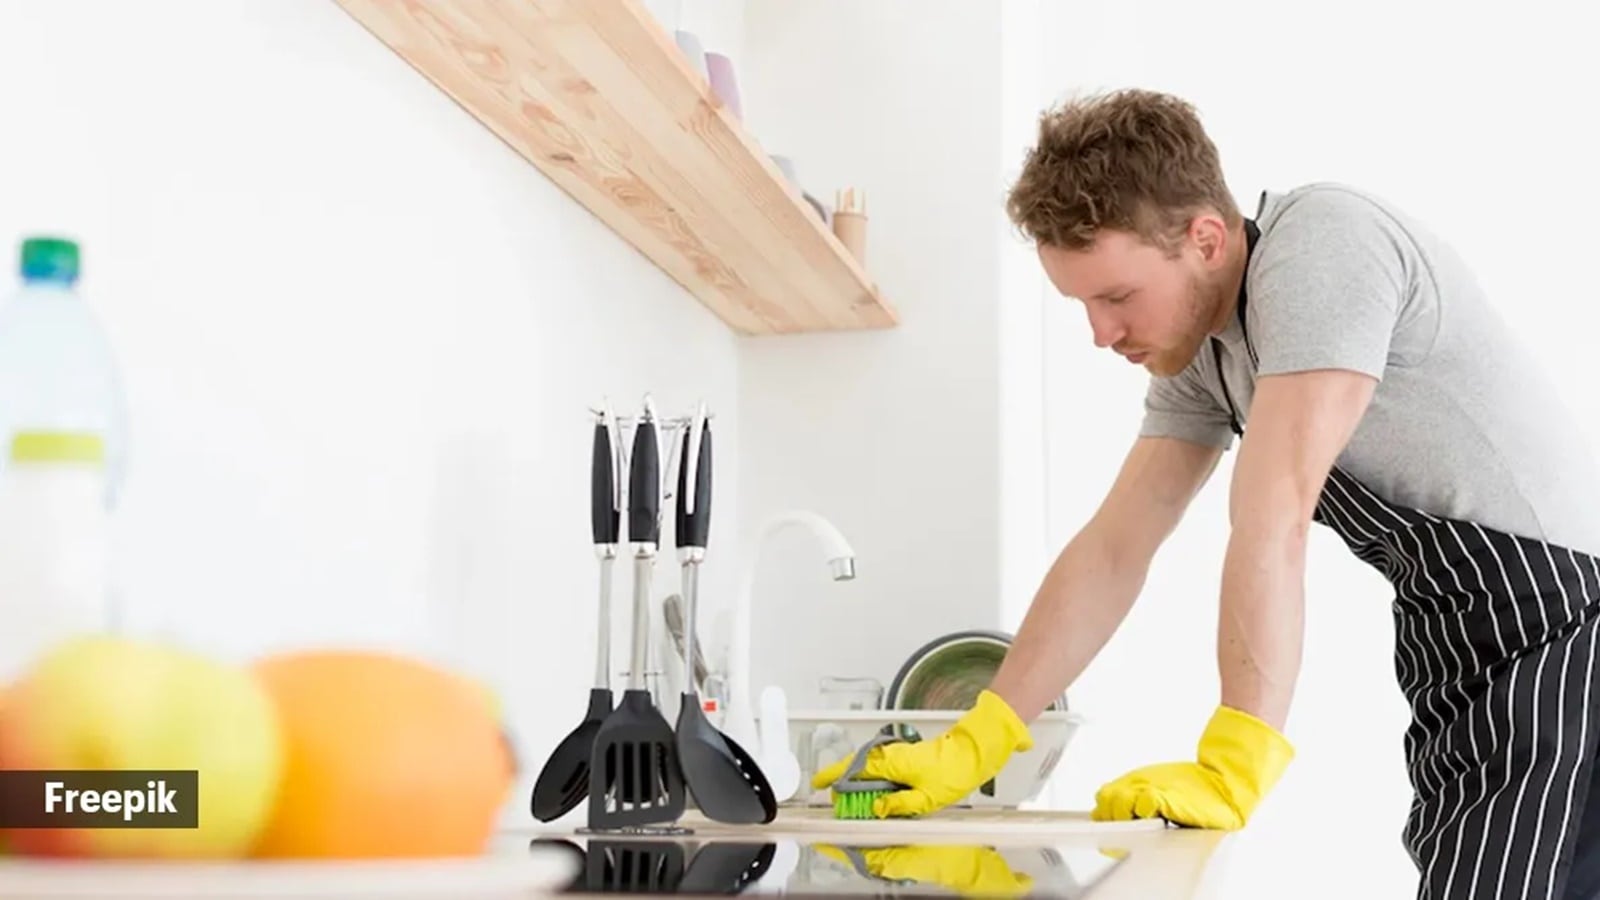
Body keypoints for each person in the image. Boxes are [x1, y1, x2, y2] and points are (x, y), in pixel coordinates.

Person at [812, 88, 1600, 900]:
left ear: (1207, 238)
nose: (1100, 333)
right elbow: (1116, 545)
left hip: (1566, 627)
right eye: (1084, 304)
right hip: (1462, 641)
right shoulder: (1206, 353)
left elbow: (1273, 516)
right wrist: (981, 735)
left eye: (1116, 297)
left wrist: (1236, 757)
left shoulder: (1324, 247)